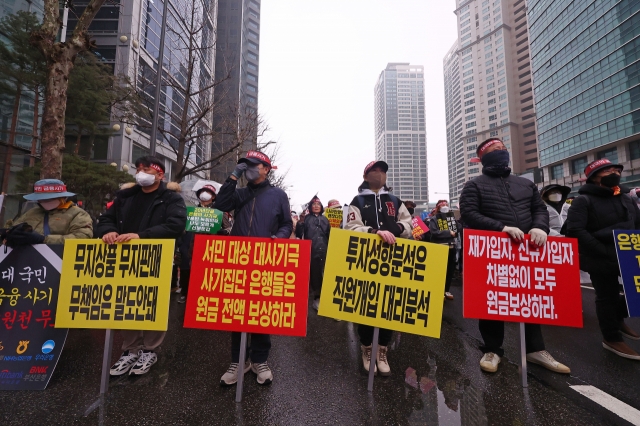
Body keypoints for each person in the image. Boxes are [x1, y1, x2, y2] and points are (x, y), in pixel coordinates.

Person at [460, 138, 570, 374]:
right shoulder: (474, 185)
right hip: (494, 251)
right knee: (492, 300)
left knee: (529, 298)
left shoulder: (525, 184)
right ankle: (492, 349)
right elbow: (469, 213)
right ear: (483, 157)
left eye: (503, 149)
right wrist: (500, 228)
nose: (501, 152)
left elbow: (538, 209)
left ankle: (535, 349)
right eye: (494, 150)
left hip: (526, 251)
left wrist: (541, 227)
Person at [97, 156, 187, 376]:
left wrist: (142, 236)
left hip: (157, 258)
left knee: (153, 303)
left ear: (160, 174)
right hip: (125, 260)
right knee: (128, 302)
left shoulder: (171, 199)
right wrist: (107, 231)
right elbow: (106, 219)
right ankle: (130, 349)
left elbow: (176, 225)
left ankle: (150, 349)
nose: (141, 173)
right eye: (138, 169)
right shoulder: (125, 197)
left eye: (146, 169)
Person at [215, 150, 292, 386]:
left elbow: (287, 224)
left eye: (253, 165)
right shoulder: (240, 194)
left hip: (265, 261)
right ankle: (239, 361)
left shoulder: (278, 195)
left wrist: (279, 237)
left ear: (266, 169)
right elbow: (221, 204)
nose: (248, 168)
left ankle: (259, 359)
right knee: (238, 311)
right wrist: (232, 177)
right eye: (245, 165)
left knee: (261, 313)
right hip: (239, 260)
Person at [566, 159, 640, 360]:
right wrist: (601, 250)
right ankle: (612, 337)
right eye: (607, 170)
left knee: (632, 291)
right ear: (594, 177)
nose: (614, 172)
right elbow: (575, 230)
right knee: (606, 295)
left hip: (627, 253)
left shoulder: (625, 197)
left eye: (616, 169)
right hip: (599, 256)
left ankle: (617, 318)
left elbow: (637, 222)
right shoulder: (584, 200)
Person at [346, 160, 412, 376]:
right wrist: (373, 232)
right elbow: (351, 228)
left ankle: (382, 350)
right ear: (366, 176)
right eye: (375, 171)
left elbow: (410, 225)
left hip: (393, 261)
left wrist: (400, 228)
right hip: (367, 260)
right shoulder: (357, 200)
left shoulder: (394, 200)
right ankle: (367, 349)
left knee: (389, 306)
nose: (380, 174)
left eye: (383, 171)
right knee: (367, 305)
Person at [2, 179, 93, 246]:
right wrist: (10, 235)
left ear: (63, 197)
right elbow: (17, 228)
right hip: (29, 263)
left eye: (50, 198)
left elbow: (82, 238)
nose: (45, 201)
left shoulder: (78, 214)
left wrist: (43, 239)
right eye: (41, 199)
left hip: (61, 262)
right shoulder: (31, 213)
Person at [302, 195, 331, 310]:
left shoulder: (325, 219)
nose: (316, 206)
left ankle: (324, 297)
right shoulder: (306, 218)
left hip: (324, 249)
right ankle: (316, 298)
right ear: (310, 206)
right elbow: (300, 233)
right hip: (311, 250)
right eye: (314, 204)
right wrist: (300, 222)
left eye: (318, 204)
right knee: (314, 275)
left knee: (324, 273)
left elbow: (329, 234)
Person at [428, 200, 457, 301]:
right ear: (438, 207)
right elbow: (434, 232)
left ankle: (446, 290)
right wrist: (449, 233)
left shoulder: (451, 218)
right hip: (440, 247)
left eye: (446, 205)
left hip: (452, 247)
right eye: (442, 205)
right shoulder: (434, 219)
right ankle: (438, 290)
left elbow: (458, 229)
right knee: (439, 271)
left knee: (449, 271)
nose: (445, 206)